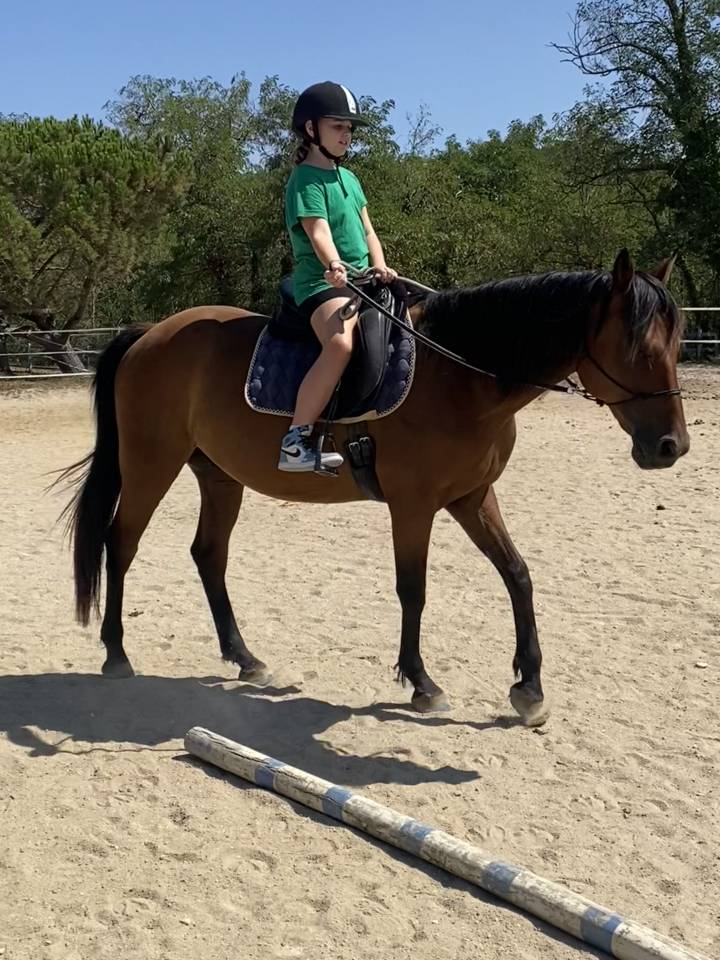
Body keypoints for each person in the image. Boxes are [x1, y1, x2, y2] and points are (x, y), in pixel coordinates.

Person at [278, 81, 397, 473]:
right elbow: (318, 232)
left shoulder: (350, 180)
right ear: (311, 130)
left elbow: (367, 231)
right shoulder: (305, 179)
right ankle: (296, 441)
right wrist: (333, 265)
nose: (346, 135)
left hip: (363, 280)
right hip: (321, 284)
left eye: (350, 128)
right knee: (340, 345)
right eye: (337, 126)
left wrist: (380, 264)